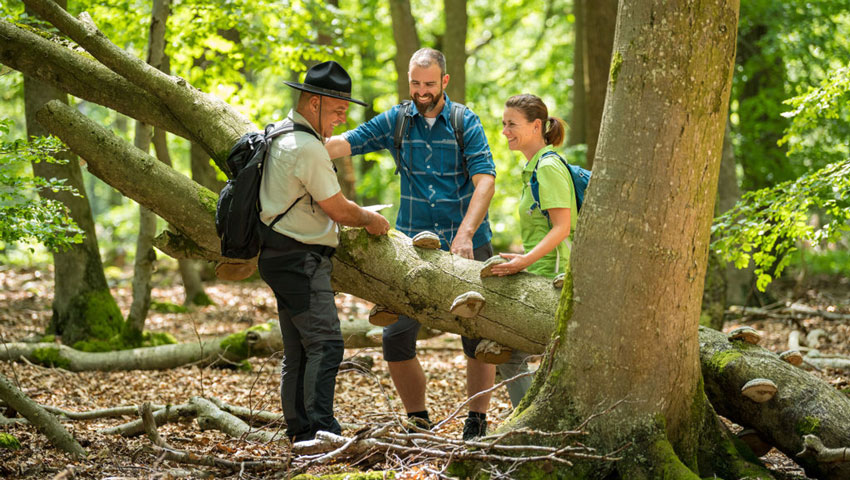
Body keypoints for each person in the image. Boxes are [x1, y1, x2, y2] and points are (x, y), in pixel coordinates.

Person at [325, 48, 530, 440]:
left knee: (477, 338)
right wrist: (299, 140)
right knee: (396, 337)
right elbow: (346, 142)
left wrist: (466, 233)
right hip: (414, 247)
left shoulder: (463, 121)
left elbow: (485, 179)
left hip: (469, 243)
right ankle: (418, 420)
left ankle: (476, 421)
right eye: (415, 83)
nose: (422, 91)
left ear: (444, 82)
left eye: (429, 84)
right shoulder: (397, 121)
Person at [258, 60, 390, 443]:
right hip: (299, 260)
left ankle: (300, 431)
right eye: (336, 112)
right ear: (313, 102)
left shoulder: (280, 135)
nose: (338, 121)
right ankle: (321, 431)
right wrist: (369, 219)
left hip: (278, 255)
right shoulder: (307, 148)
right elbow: (338, 209)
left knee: (299, 350)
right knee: (327, 345)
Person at [490, 93, 576, 279]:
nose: (505, 131)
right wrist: (524, 260)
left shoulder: (547, 167)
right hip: (541, 275)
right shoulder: (534, 169)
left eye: (512, 124)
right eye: (504, 124)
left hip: (555, 278)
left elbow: (563, 227)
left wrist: (525, 260)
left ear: (536, 126)